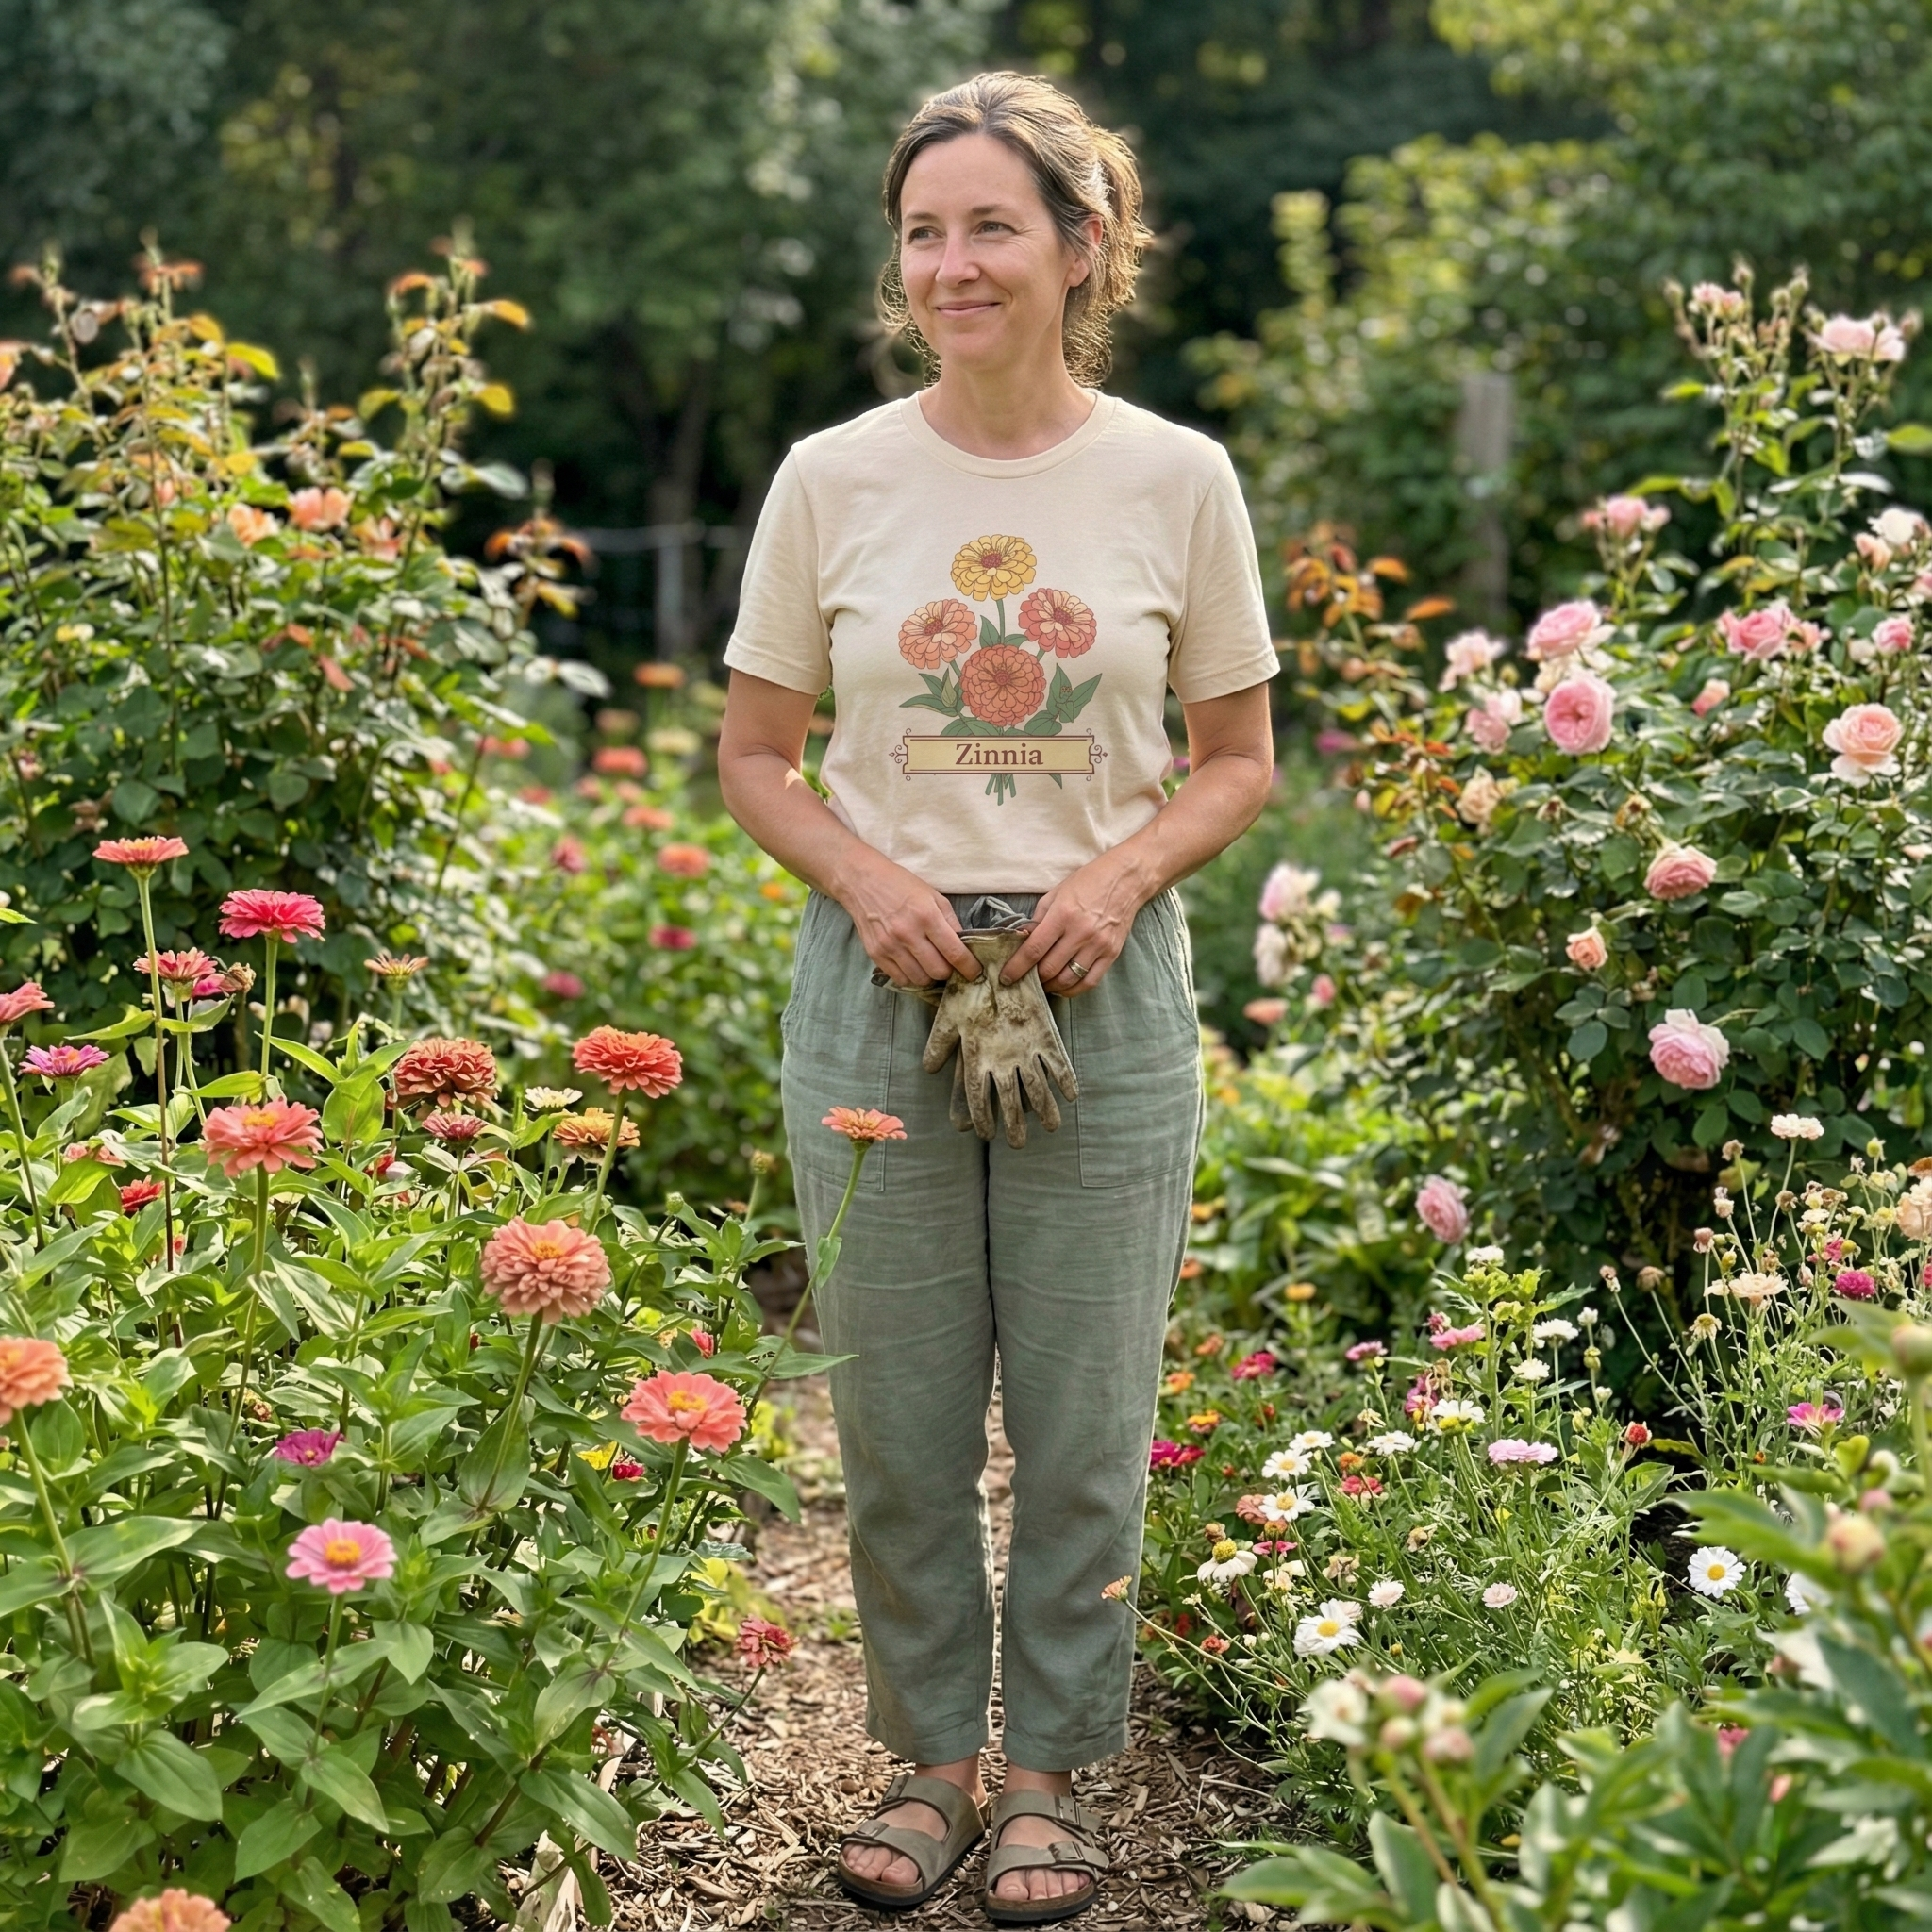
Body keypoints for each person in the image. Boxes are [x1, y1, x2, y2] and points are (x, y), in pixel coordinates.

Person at [717, 71, 1276, 1925]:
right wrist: (867, 881)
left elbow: (1235, 759)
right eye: (922, 232)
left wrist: (1115, 880)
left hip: (1093, 979)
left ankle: (1045, 1772)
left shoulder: (1176, 480)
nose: (951, 264)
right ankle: (929, 1766)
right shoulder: (834, 480)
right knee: (893, 1415)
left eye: (990, 227)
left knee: (1085, 1416)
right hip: (879, 978)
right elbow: (757, 757)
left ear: (1080, 245)